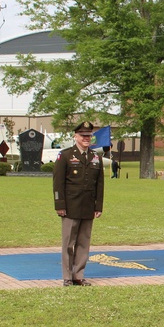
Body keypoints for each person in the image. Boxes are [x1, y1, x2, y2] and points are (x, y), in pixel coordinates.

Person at [53, 121, 105, 286]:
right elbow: (58, 182)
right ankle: (67, 277)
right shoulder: (66, 155)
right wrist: (59, 205)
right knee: (69, 243)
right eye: (83, 135)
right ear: (75, 136)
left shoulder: (95, 157)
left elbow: (100, 184)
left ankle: (78, 275)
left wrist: (98, 206)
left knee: (84, 243)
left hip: (88, 205)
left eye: (89, 136)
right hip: (70, 205)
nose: (86, 138)